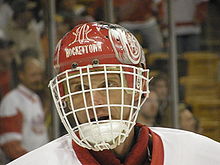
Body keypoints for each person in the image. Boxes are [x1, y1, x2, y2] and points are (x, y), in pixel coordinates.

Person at [7, 22, 220, 165]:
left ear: (136, 89)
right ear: (66, 99)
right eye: (79, 89)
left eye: (107, 84)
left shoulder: (202, 155)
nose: (93, 101)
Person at [0, 56, 48, 164]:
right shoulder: (12, 100)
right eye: (33, 75)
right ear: (21, 75)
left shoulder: (35, 97)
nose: (38, 79)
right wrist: (32, 161)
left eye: (40, 74)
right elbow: (10, 145)